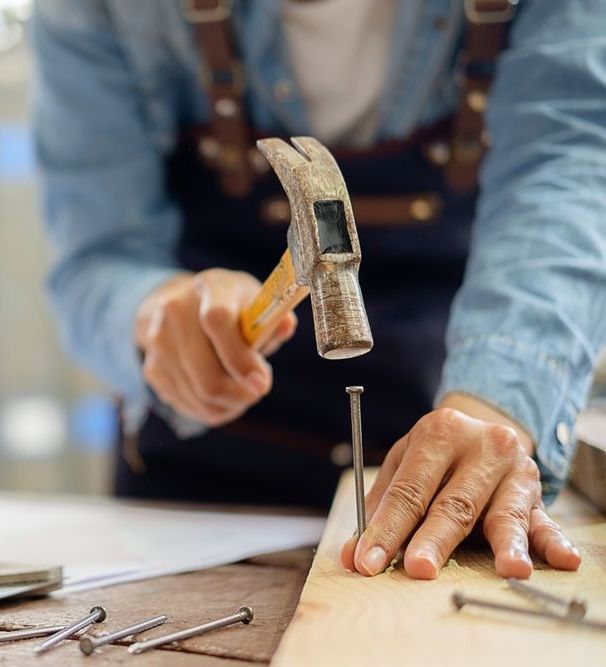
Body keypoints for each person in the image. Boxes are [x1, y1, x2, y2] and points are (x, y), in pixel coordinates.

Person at [32, 0, 606, 580]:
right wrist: (154, 313)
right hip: (197, 499)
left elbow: (566, 173)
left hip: (441, 437)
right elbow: (99, 255)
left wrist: (494, 409)